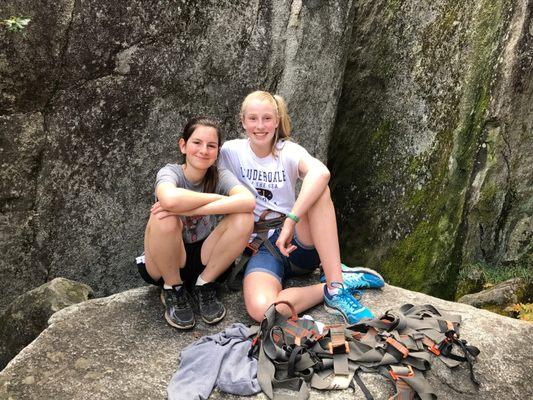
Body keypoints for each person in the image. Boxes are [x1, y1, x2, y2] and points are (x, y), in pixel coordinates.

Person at [219, 91, 384, 323]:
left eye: (267, 118)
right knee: (264, 312)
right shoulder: (230, 151)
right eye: (253, 118)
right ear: (242, 121)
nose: (260, 125)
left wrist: (291, 220)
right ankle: (331, 286)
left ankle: (337, 288)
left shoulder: (288, 151)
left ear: (277, 121)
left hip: (297, 240)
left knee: (319, 190)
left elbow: (321, 172)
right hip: (261, 249)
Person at [138, 117, 255, 329]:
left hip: (205, 258)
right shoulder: (170, 172)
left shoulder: (220, 176)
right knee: (163, 217)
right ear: (183, 145)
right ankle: (173, 289)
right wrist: (223, 201)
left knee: (244, 217)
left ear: (217, 151)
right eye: (197, 143)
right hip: (166, 261)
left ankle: (204, 284)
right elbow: (170, 200)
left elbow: (248, 202)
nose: (204, 150)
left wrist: (195, 208)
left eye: (211, 146)